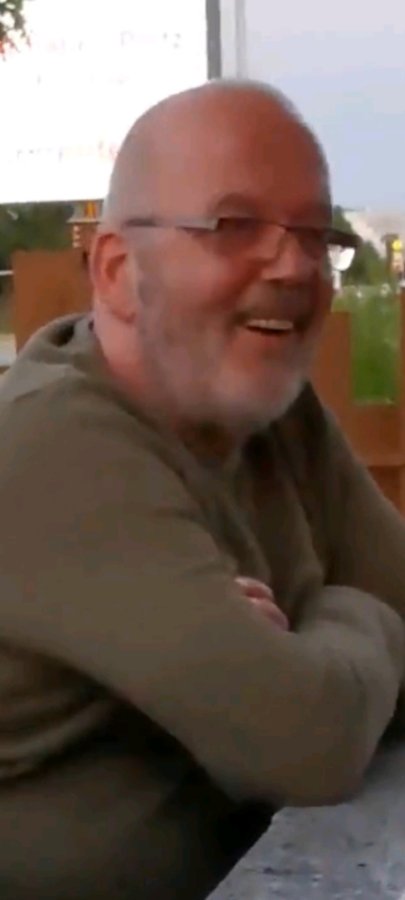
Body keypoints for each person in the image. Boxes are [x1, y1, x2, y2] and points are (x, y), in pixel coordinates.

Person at [0, 79, 404, 899]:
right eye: (233, 226)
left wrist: (315, 632)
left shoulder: (273, 411)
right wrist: (351, 612)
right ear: (117, 270)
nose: (292, 266)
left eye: (314, 234)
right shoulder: (53, 444)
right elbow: (307, 742)